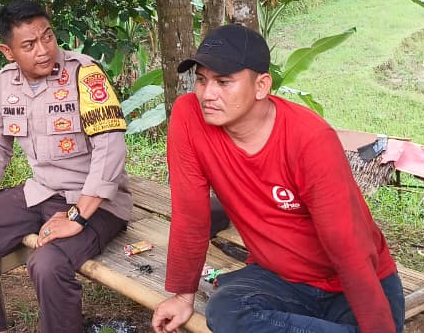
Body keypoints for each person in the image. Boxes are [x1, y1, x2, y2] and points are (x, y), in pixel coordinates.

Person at [151, 24, 405, 333]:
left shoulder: (310, 139)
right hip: (280, 278)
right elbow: (191, 214)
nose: (208, 94)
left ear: (261, 86)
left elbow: (348, 246)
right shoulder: (189, 116)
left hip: (352, 281)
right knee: (226, 311)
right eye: (201, 80)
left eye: (223, 82)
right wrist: (183, 295)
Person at [0, 0, 131, 333]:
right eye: (29, 45)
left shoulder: (85, 75)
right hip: (42, 192)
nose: (44, 50)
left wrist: (77, 216)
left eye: (48, 37)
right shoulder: (5, 83)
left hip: (97, 202)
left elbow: (110, 149)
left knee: (47, 264)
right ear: (8, 52)